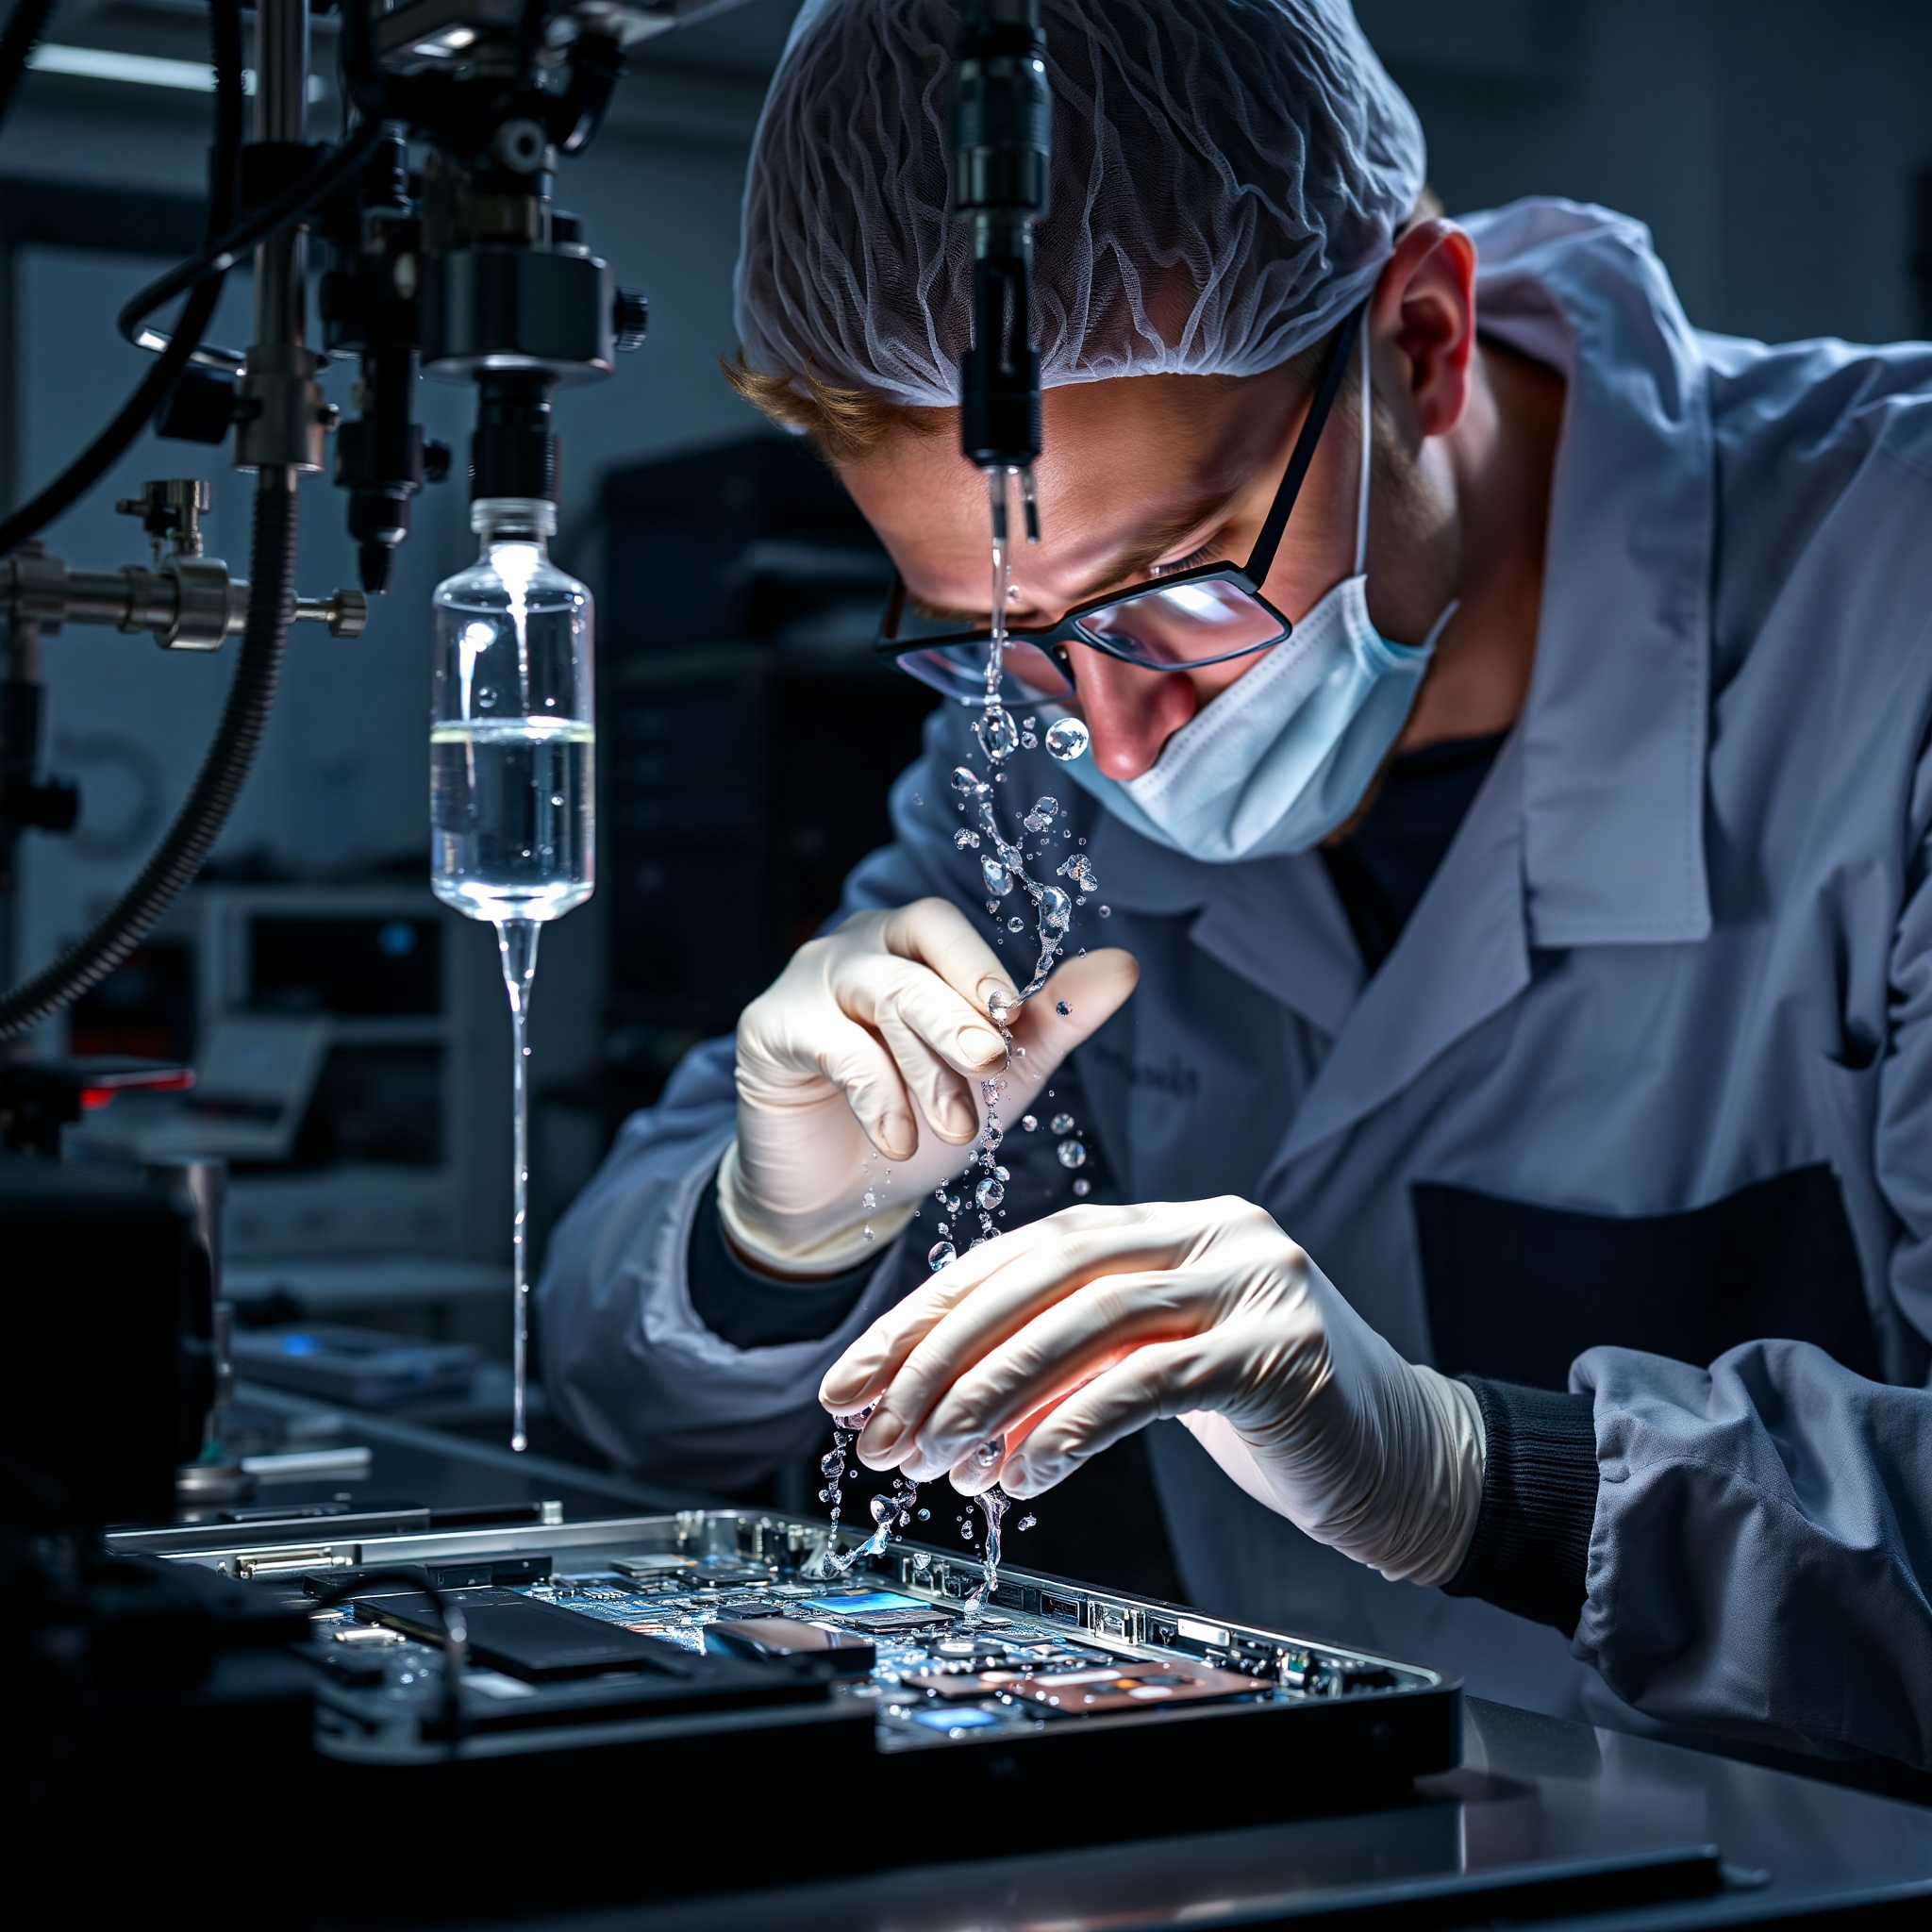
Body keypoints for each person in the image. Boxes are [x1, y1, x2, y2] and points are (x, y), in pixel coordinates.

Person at [540, 0, 1932, 1769]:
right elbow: (614, 1387)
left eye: (1182, 589)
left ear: (1420, 343)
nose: (1114, 743)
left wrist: (1479, 1479)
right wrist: (770, 1233)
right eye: (1004, 640)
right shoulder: (1033, 749)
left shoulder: (1895, 596)